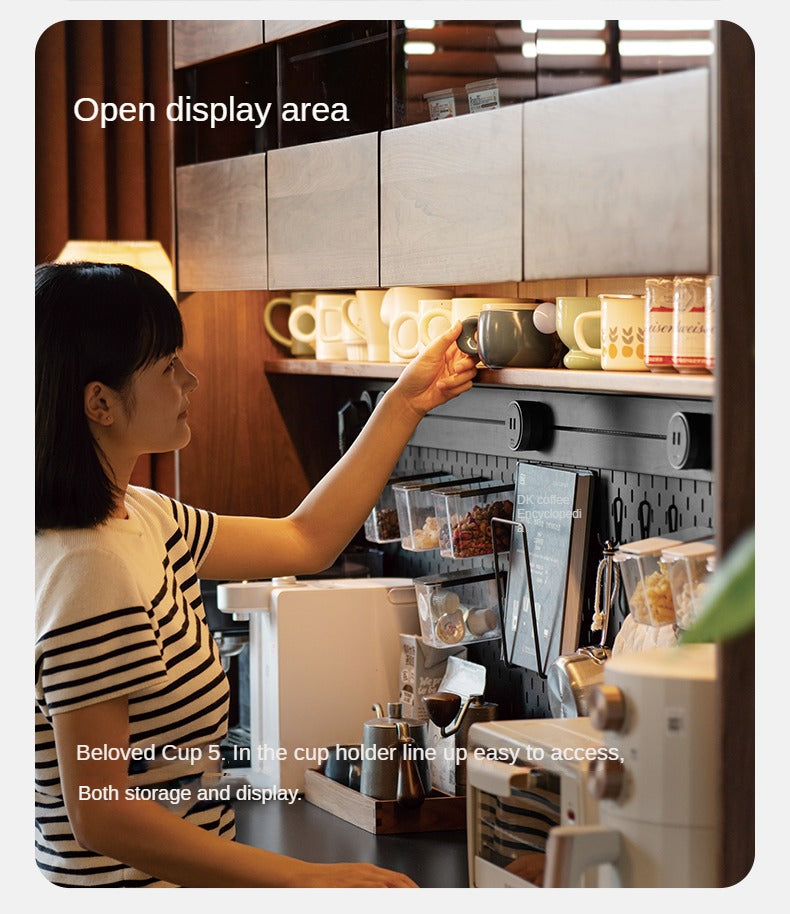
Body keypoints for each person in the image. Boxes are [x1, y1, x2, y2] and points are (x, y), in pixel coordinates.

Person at [34, 261, 477, 888]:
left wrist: (405, 401)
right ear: (99, 402)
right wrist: (306, 881)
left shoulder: (144, 517)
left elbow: (306, 539)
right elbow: (102, 815)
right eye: (166, 367)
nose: (191, 379)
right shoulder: (88, 570)